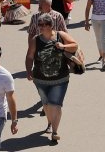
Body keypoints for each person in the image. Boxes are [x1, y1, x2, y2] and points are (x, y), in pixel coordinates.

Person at [25, 14, 80, 145]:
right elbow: (29, 56)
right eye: (40, 25)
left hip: (60, 78)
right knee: (46, 104)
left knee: (55, 104)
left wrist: (63, 46)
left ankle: (55, 131)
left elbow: (75, 45)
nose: (41, 27)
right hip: (40, 79)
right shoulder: (35, 40)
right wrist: (28, 70)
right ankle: (50, 122)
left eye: (44, 25)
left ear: (51, 26)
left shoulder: (60, 35)